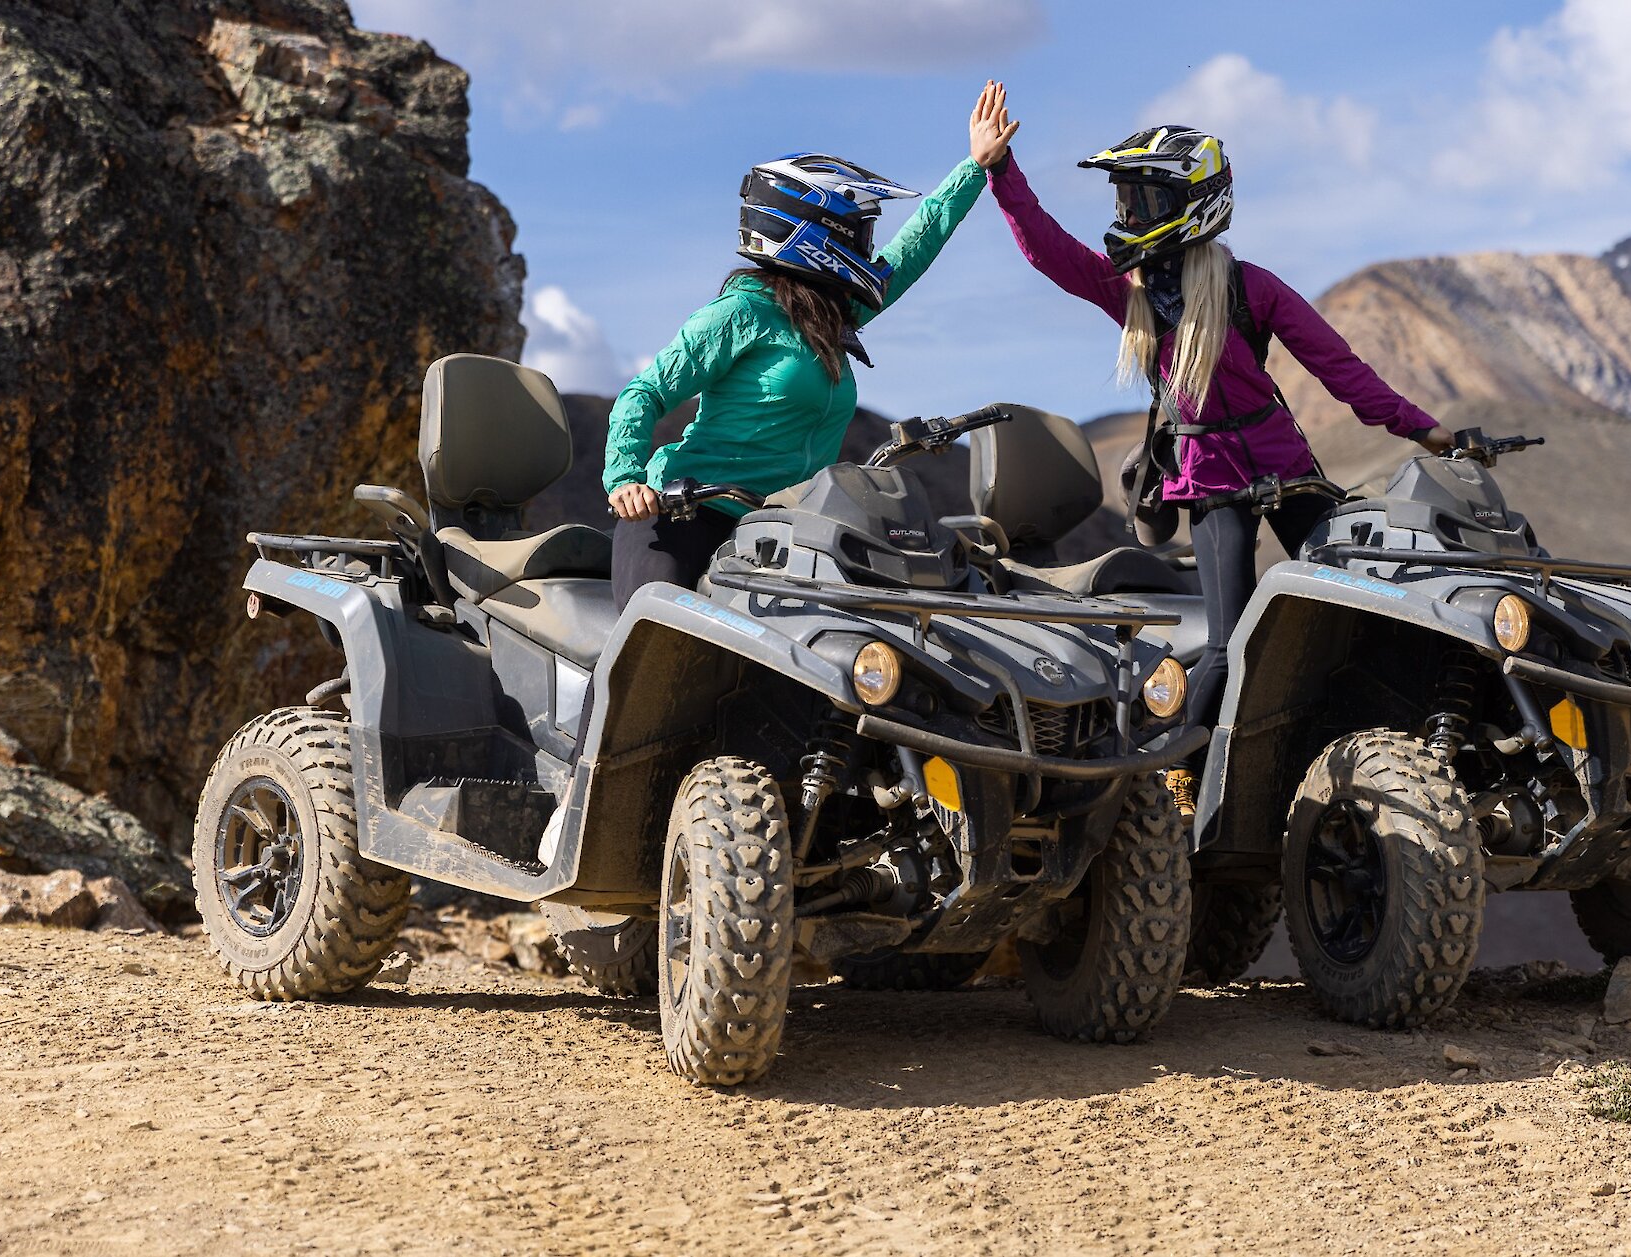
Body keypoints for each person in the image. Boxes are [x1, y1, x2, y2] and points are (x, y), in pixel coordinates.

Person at [978, 99, 1451, 811]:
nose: (1130, 213)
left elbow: (1338, 367)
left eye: (1145, 199)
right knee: (1230, 646)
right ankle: (1169, 774)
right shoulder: (1131, 294)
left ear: (1193, 203)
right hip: (1211, 486)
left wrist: (1420, 428)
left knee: (1375, 599)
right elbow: (1046, 247)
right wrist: (1000, 170)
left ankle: (1392, 750)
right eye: (1127, 199)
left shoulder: (1248, 285)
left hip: (1289, 476)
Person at [601, 83, 1023, 609]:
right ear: (814, 233)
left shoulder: (834, 314)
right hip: (685, 515)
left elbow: (915, 247)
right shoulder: (739, 314)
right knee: (650, 641)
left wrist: (974, 165)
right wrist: (625, 480)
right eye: (855, 233)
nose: (865, 246)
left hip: (781, 531)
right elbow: (644, 393)